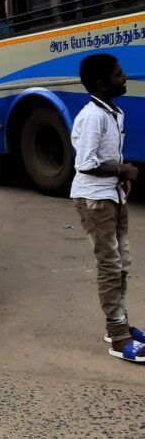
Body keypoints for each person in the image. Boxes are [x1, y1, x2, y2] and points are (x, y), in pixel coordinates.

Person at [70, 54, 144, 363]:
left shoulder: (113, 112)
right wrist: (123, 170)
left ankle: (119, 323)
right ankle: (118, 337)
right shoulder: (93, 117)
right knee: (110, 266)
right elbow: (85, 164)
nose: (124, 77)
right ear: (102, 85)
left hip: (113, 197)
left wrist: (120, 181)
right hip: (94, 200)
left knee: (122, 262)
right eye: (118, 74)